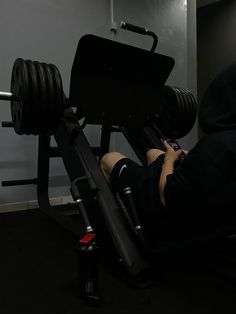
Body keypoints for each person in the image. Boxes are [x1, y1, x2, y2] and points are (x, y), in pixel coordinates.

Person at [100, 62, 236, 222]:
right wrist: (187, 156)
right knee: (153, 153)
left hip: (172, 218)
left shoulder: (215, 147)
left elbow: (168, 196)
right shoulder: (224, 145)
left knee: (109, 158)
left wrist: (169, 161)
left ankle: (115, 228)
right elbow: (210, 167)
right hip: (212, 216)